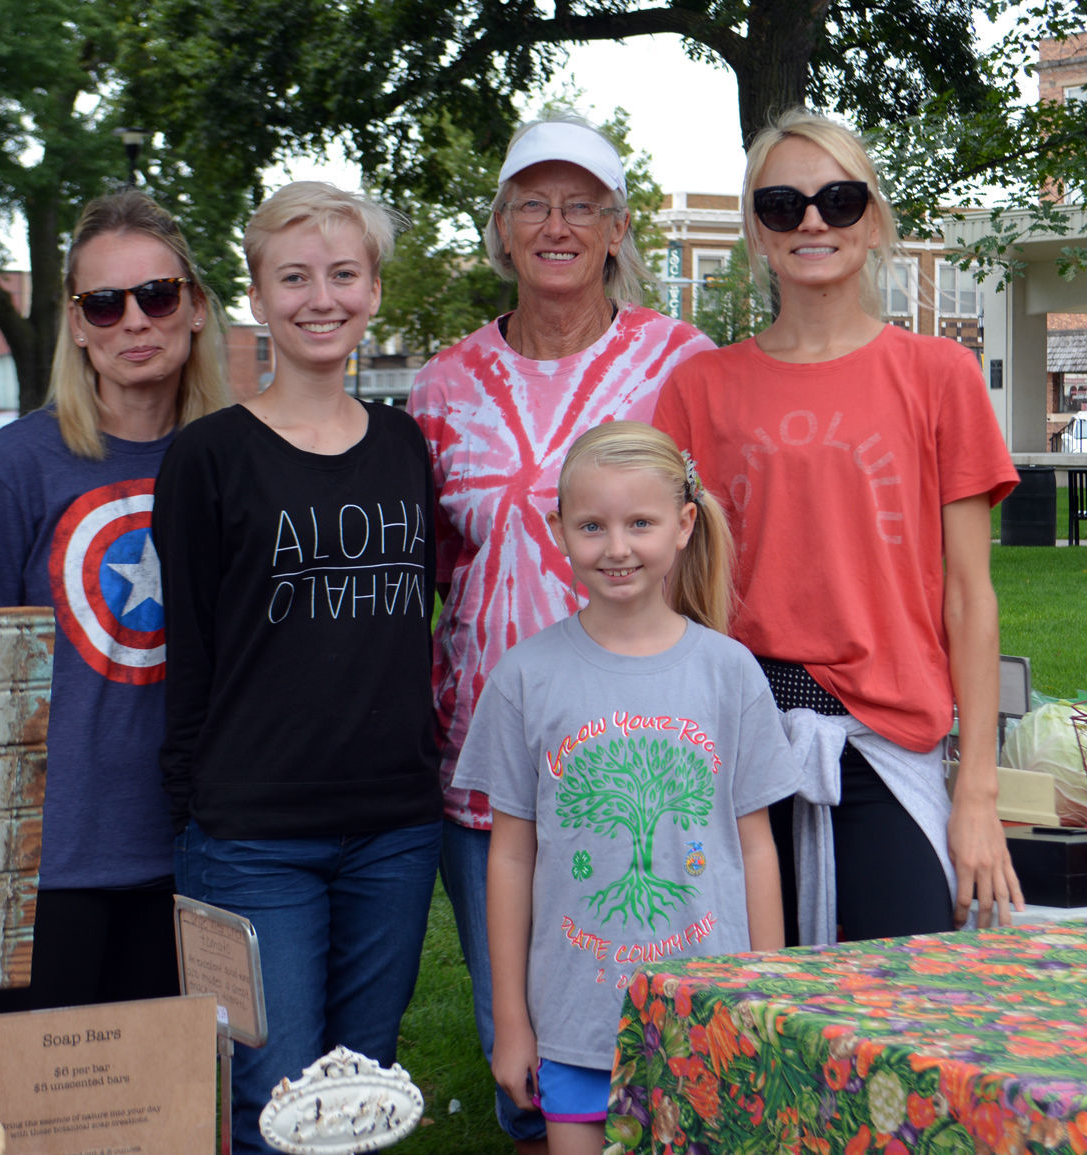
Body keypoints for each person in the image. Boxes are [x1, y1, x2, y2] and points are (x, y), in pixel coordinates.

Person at [406, 112, 714, 1152]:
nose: (556, 224)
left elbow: (713, 543)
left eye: (580, 204)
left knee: (673, 1029)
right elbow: (432, 575)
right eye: (531, 203)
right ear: (499, 228)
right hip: (494, 761)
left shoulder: (680, 364)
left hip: (648, 746)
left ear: (618, 227)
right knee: (529, 1046)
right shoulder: (444, 387)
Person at [654, 107, 1024, 946]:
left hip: (888, 744)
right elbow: (673, 591)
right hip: (743, 743)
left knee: (911, 1009)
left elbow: (970, 595)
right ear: (757, 228)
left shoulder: (938, 375)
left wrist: (977, 794)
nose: (813, 220)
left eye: (839, 199)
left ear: (874, 218)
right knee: (754, 1024)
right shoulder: (701, 387)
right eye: (784, 203)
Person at [153, 182, 442, 1154]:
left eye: (344, 274)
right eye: (295, 277)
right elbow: (189, 651)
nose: (323, 298)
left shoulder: (408, 447)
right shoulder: (208, 457)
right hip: (253, 836)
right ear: (258, 294)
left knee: (361, 1100)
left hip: (394, 832)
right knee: (274, 1106)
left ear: (373, 288)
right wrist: (193, 813)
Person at [453, 421, 795, 1155]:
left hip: (715, 1013)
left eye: (639, 522)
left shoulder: (730, 672)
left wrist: (772, 995)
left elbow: (757, 848)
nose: (616, 547)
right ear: (558, 532)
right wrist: (512, 1019)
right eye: (592, 525)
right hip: (576, 1019)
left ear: (683, 525)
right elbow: (509, 859)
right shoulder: (525, 677)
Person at [0, 187, 229, 1010]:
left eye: (157, 295)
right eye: (104, 303)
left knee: (167, 1118)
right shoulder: (16, 466)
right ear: (75, 323)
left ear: (197, 308)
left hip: (197, 851)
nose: (133, 320)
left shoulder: (235, 458)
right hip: (48, 861)